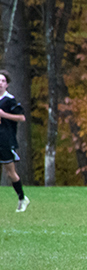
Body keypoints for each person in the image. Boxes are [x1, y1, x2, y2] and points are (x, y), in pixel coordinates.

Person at [0, 69, 29, 213]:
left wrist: (4, 114)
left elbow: (22, 118)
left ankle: (22, 198)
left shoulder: (9, 100)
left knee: (10, 173)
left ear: (7, 84)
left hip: (5, 140)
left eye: (3, 81)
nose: (0, 83)